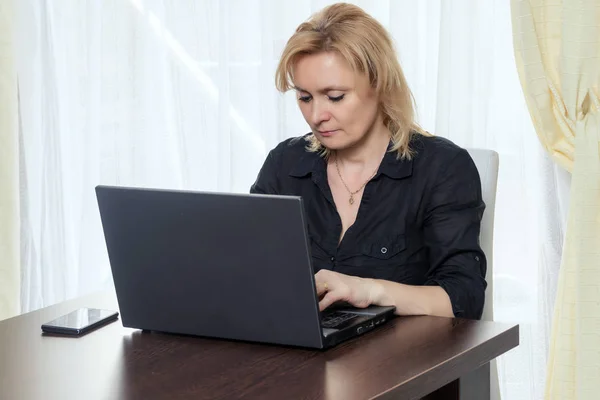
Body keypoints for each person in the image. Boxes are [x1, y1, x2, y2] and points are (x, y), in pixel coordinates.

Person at [250, 3, 487, 320]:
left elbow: (464, 299)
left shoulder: (442, 168)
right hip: (299, 354)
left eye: (335, 96)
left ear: (379, 84)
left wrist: (370, 290)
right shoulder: (285, 164)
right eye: (305, 97)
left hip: (402, 362)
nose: (317, 116)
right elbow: (250, 272)